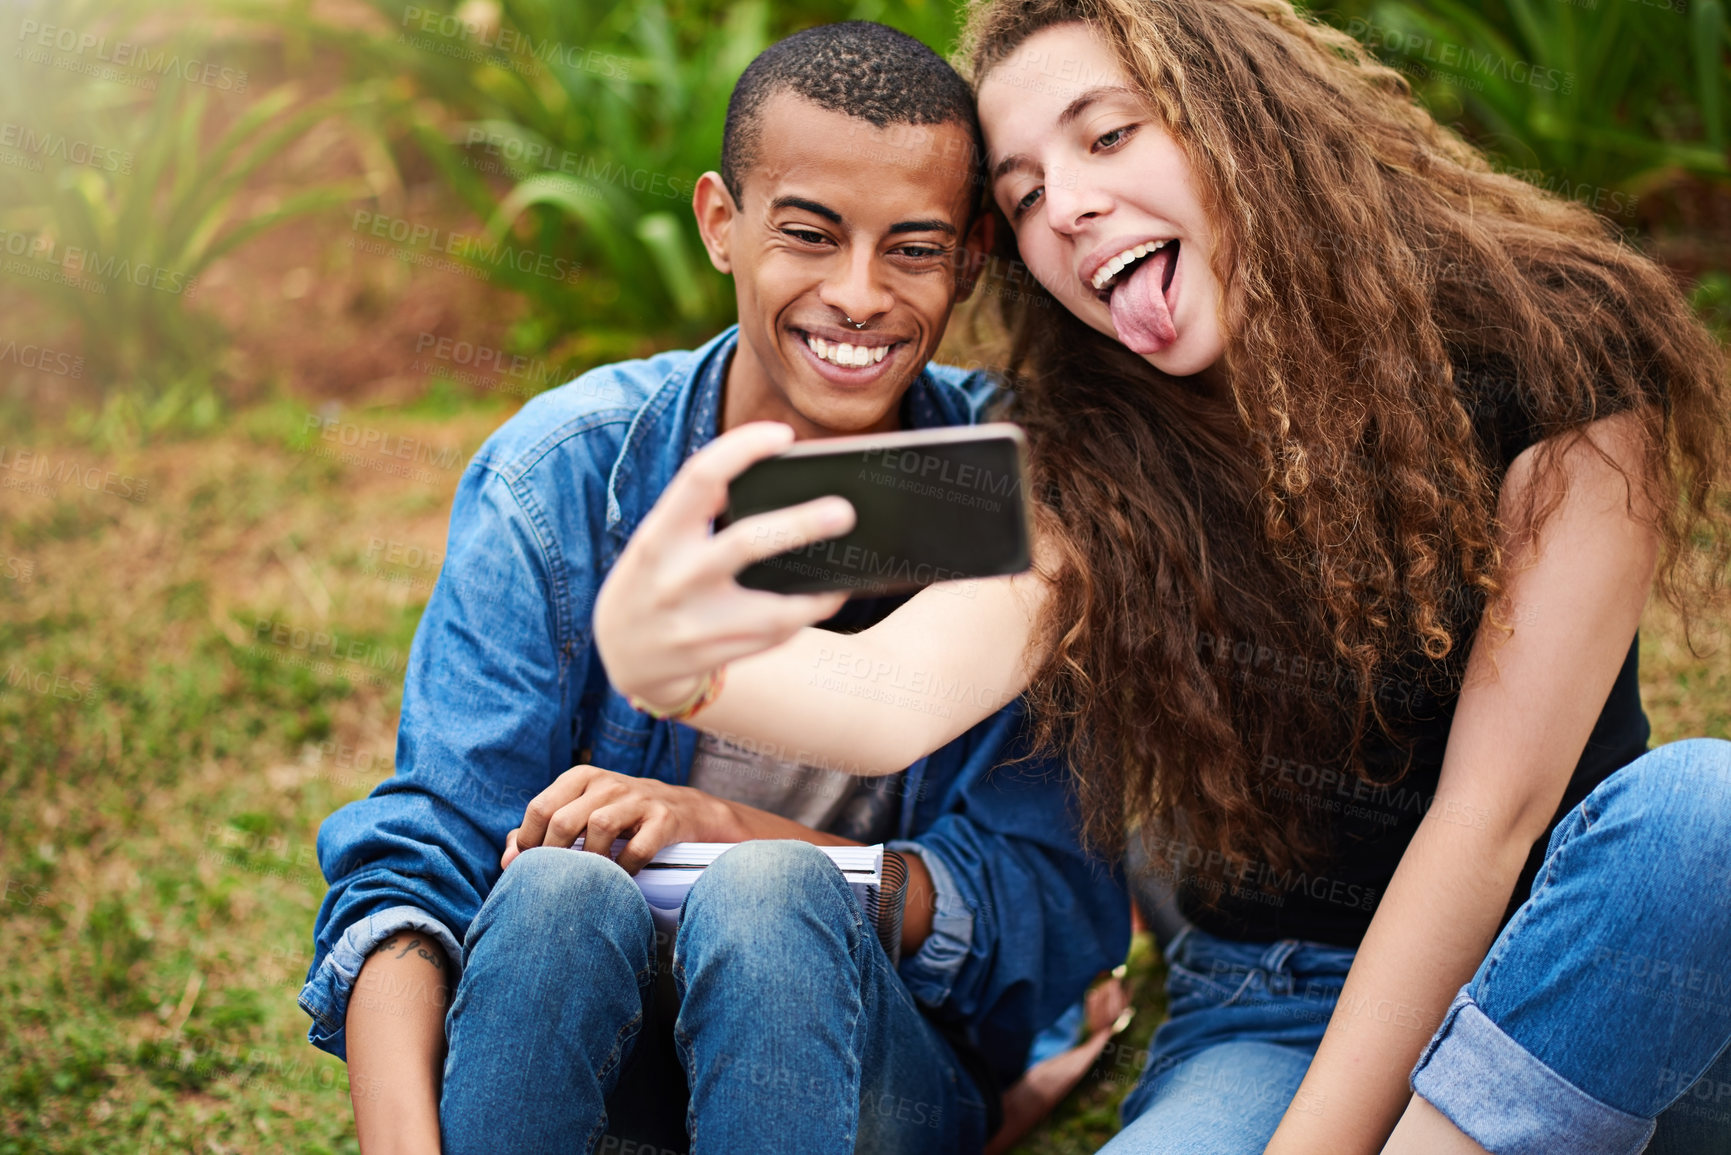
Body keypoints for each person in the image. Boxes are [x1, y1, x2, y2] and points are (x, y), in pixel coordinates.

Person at [579, 1, 1731, 1152]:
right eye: (1025, 194)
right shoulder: (1091, 451)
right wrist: (673, 663)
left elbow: (1493, 817)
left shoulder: (1562, 345)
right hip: (1278, 1006)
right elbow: (892, 699)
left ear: (1244, 116)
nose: (1069, 205)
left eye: (1110, 135)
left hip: (1576, 977)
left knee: (1701, 810)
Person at [299, 21, 1130, 1155]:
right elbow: (420, 858)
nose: (857, 294)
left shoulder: (1025, 494)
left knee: (772, 895)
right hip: (593, 1047)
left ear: (973, 255)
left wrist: (739, 836)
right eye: (809, 234)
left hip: (869, 1065)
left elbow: (1052, 903)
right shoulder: (568, 476)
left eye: (913, 249)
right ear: (720, 224)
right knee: (555, 895)